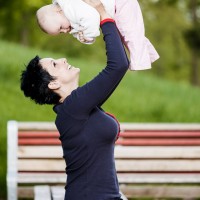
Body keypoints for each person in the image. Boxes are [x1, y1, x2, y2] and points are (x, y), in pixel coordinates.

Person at [21, 1, 129, 199]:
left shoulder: (75, 108)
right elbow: (118, 65)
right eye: (54, 64)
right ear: (52, 84)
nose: (62, 59)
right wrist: (102, 13)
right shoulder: (74, 107)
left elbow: (119, 64)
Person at [36, 0, 159, 70]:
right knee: (129, 34)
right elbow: (83, 32)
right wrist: (85, 38)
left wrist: (89, 35)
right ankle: (149, 56)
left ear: (58, 11)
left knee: (130, 33)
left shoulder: (71, 9)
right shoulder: (68, 16)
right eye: (60, 32)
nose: (64, 31)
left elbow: (92, 18)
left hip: (120, 4)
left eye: (60, 27)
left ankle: (139, 64)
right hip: (115, 9)